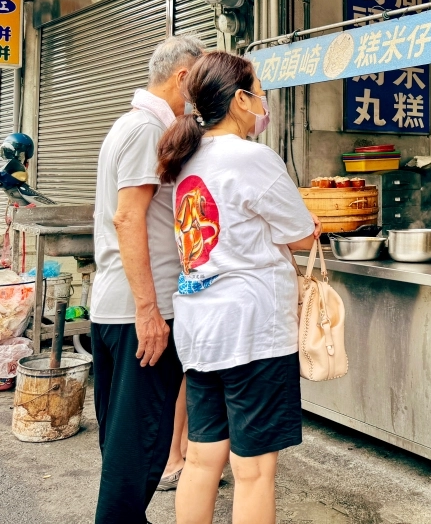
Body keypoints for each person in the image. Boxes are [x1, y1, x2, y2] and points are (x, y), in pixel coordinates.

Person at [156, 52, 319, 524]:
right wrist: (312, 227)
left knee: (203, 458)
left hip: (201, 328)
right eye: (258, 91)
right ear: (241, 99)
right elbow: (301, 235)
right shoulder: (253, 158)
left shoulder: (187, 159)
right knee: (254, 471)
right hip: (253, 331)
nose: (263, 102)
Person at [91, 35, 205, 523]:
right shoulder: (143, 130)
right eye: (199, 84)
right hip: (139, 312)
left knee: (125, 446)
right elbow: (128, 219)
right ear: (182, 78)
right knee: (138, 449)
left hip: (121, 307)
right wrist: (149, 312)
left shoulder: (130, 124)